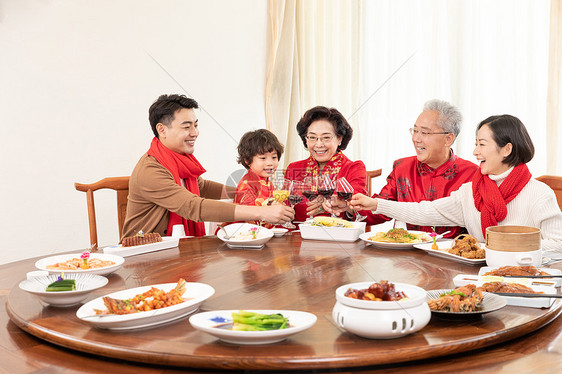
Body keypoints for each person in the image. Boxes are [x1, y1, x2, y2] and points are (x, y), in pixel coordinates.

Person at [344, 114, 562, 255]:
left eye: (482, 145)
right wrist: (375, 205)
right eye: (476, 144)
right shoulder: (470, 192)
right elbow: (425, 211)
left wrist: (506, 248)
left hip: (528, 279)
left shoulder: (539, 193)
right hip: (479, 276)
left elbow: (558, 244)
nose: (476, 152)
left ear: (506, 149)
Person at [122, 94, 294, 239]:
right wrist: (260, 212)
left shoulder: (179, 160)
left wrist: (243, 192)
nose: (195, 132)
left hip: (175, 245)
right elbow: (193, 207)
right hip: (147, 252)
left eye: (195, 125)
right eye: (186, 126)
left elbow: (201, 186)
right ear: (162, 130)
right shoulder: (151, 169)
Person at [332, 99, 478, 238]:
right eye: (415, 130)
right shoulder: (402, 168)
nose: (416, 138)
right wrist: (349, 207)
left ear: (448, 139)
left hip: (451, 255)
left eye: (424, 132)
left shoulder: (472, 174)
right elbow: (380, 209)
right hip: (406, 257)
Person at [284, 106, 367, 223]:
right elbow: (286, 209)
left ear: (339, 139)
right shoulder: (294, 168)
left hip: (339, 236)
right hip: (299, 237)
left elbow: (359, 206)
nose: (318, 144)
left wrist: (332, 203)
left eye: (326, 137)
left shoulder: (354, 168)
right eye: (312, 137)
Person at [235, 129, 283, 207]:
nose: (270, 163)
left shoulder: (269, 183)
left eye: (274, 157)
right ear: (247, 160)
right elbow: (247, 213)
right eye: (263, 158)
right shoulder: (247, 184)